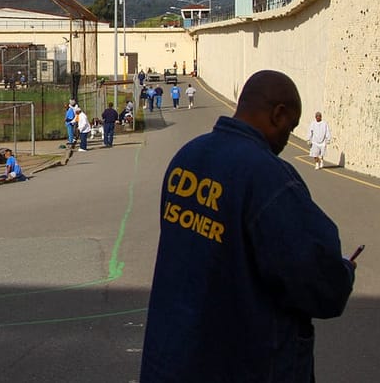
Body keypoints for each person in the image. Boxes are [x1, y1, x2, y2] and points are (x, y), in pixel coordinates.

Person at [141, 70, 355, 381]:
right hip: (243, 361)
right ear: (278, 114)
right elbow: (319, 284)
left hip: (175, 355)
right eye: (290, 128)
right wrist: (343, 271)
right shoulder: (269, 177)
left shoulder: (187, 158)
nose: (286, 139)